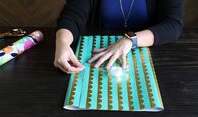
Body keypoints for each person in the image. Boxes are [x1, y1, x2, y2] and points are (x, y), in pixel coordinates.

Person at [54, 0, 183, 73]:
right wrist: (62, 43)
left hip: (149, 55)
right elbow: (72, 16)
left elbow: (173, 24)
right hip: (95, 54)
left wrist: (130, 39)